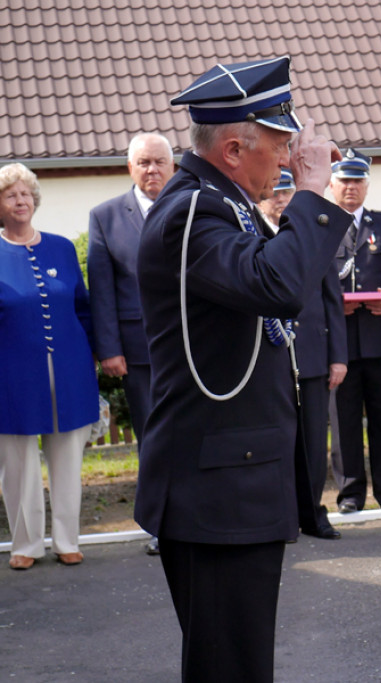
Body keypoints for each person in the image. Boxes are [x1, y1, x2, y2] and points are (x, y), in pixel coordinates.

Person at [134, 57, 349, 681]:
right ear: (233, 147)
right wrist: (312, 195)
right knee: (229, 666)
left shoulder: (221, 203)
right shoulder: (193, 213)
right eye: (280, 146)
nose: (287, 162)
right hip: (217, 489)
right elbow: (278, 284)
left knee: (238, 662)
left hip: (232, 480)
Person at [0, 162, 99, 570]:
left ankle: (66, 539)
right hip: (12, 376)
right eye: (10, 195)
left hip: (71, 369)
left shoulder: (60, 247)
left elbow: (84, 308)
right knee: (18, 463)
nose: (20, 201)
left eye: (25, 194)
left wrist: (93, 355)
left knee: (68, 459)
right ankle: (25, 545)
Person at [88, 132, 174, 556]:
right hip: (139, 350)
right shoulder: (106, 217)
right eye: (144, 163)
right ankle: (160, 524)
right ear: (130, 168)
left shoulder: (192, 206)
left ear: (173, 167)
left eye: (160, 162)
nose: (153, 170)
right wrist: (109, 349)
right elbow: (101, 289)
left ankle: (196, 516)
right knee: (153, 437)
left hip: (194, 347)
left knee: (195, 432)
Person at [262, 169, 348, 540]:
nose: (280, 199)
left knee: (313, 442)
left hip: (312, 354)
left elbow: (333, 299)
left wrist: (338, 356)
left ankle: (313, 513)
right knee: (274, 443)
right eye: (274, 192)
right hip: (267, 361)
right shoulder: (248, 233)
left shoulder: (311, 235)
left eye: (287, 191)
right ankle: (278, 517)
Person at [327, 149, 381, 513]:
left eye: (357, 180)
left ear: (366, 185)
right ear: (331, 184)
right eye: (344, 180)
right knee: (343, 423)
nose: (351, 187)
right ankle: (349, 494)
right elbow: (306, 283)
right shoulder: (319, 226)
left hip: (379, 340)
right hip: (338, 345)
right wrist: (333, 305)